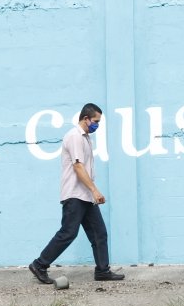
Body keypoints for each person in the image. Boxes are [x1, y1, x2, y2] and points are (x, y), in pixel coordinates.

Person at [29, 103, 124, 283]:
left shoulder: (86, 138)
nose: (97, 125)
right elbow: (78, 166)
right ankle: (39, 264)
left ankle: (102, 270)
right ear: (85, 118)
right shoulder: (74, 137)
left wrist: (91, 192)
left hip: (85, 195)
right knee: (68, 233)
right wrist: (95, 190)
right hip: (74, 194)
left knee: (99, 233)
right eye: (96, 121)